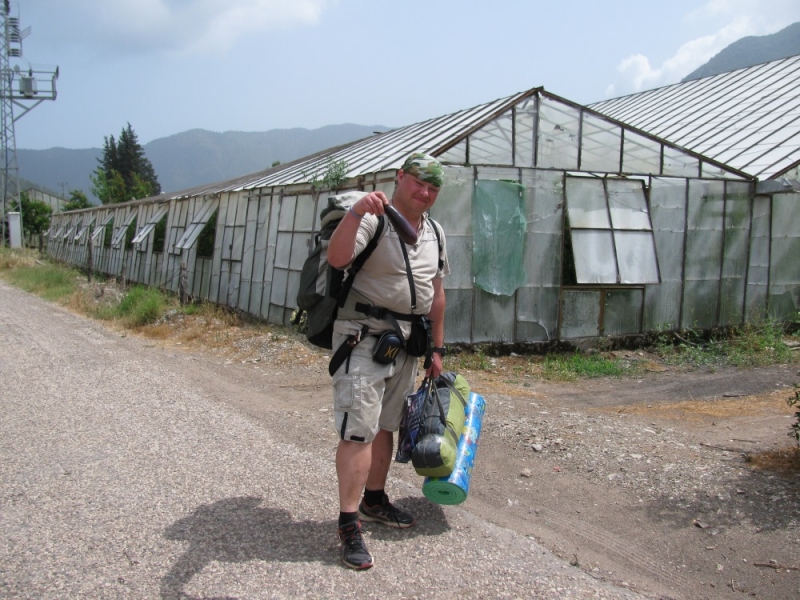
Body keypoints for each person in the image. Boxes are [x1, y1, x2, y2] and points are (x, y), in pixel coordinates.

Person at [326, 152, 449, 569]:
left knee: (386, 425)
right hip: (363, 338)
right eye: (419, 183)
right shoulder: (373, 218)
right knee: (358, 432)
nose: (425, 192)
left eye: (433, 187)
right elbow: (338, 259)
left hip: (408, 343)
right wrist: (356, 212)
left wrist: (437, 349)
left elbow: (436, 293)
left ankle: (374, 501)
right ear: (400, 178)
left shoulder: (434, 231)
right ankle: (348, 525)